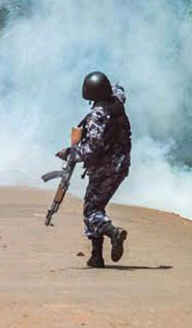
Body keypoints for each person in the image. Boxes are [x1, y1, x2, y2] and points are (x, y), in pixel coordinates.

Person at [57, 71, 132, 268]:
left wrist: (71, 153)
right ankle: (96, 257)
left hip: (106, 167)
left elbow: (93, 148)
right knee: (95, 205)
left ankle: (113, 232)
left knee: (91, 210)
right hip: (121, 164)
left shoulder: (98, 115)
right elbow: (119, 89)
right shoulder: (117, 101)